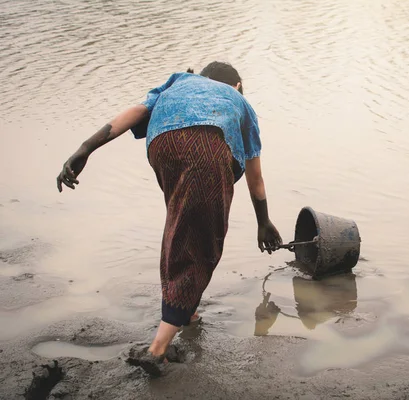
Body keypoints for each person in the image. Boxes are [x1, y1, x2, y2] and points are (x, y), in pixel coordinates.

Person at [56, 61, 283, 375]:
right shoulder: (240, 102)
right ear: (238, 86)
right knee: (203, 241)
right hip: (206, 143)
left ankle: (186, 313)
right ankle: (158, 348)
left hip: (160, 143)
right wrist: (264, 221)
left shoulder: (178, 82)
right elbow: (255, 178)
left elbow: (135, 113)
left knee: (180, 221)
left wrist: (85, 149)